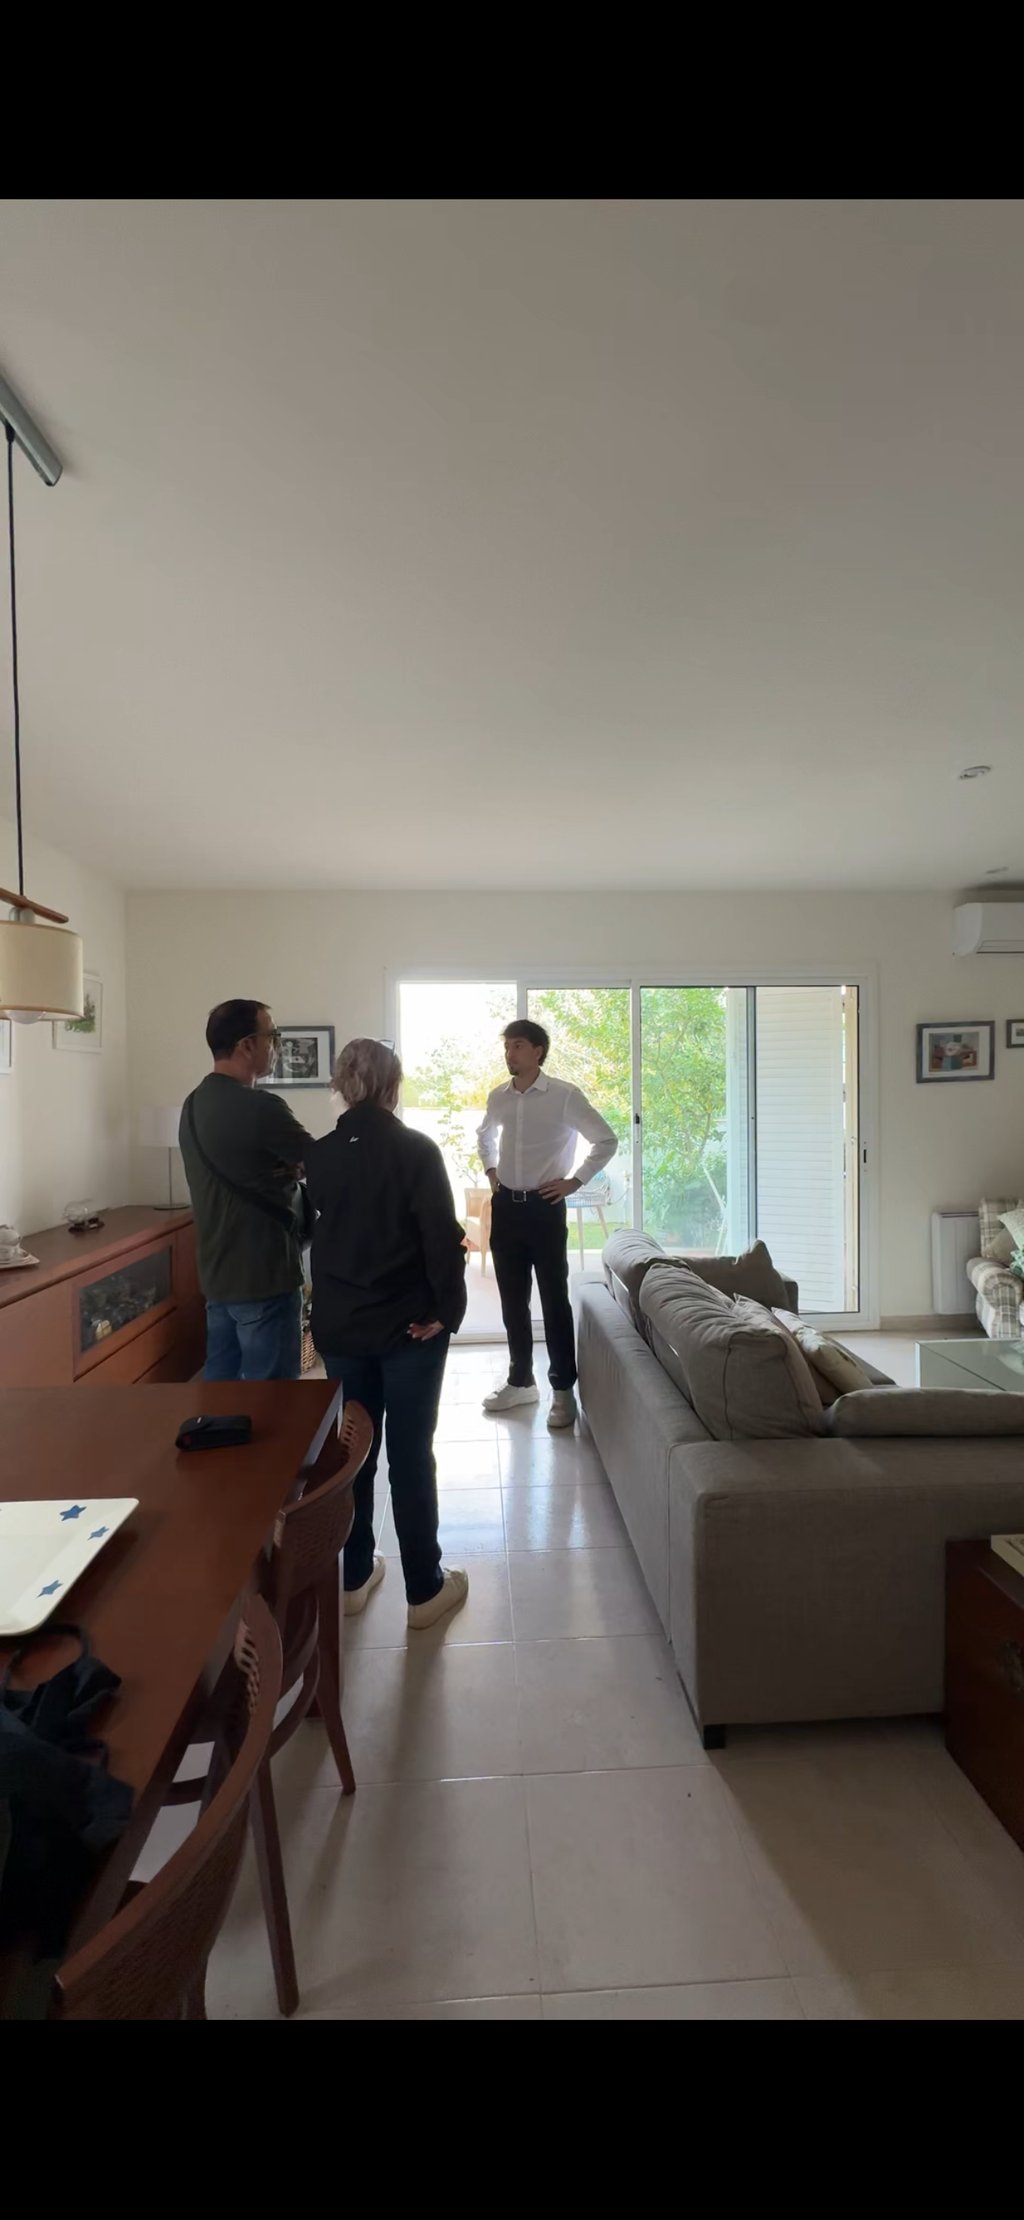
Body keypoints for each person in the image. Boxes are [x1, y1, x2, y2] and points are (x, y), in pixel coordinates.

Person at [305, 1038, 469, 1630]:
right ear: (393, 1087)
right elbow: (440, 1238)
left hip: (342, 1328)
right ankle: (424, 1590)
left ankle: (352, 1577)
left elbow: (318, 1236)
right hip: (410, 1329)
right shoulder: (416, 1150)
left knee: (354, 1454)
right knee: (409, 1453)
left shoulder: (319, 1156)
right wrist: (447, 1310)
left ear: (341, 1087)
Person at [477, 1019, 618, 1427]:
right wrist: (491, 1171)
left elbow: (606, 1140)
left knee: (554, 1300)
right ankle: (521, 1381)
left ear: (538, 1051)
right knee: (512, 1300)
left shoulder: (564, 1096)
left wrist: (576, 1181)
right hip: (507, 1206)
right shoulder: (499, 1097)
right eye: (507, 1046)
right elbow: (484, 1135)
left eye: (518, 1045)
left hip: (544, 1207)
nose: (510, 1053)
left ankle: (562, 1389)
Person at [179, 999, 314, 1381]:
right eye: (273, 1035)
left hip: (217, 1279)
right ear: (247, 1045)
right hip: (264, 1275)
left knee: (222, 1396)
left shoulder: (192, 1105)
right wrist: (297, 1168)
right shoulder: (261, 1107)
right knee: (271, 1401)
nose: (277, 1045)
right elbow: (319, 1161)